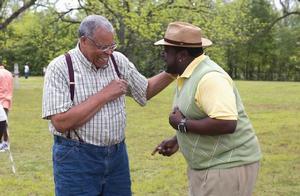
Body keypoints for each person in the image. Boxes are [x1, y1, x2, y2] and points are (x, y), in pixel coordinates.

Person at [42, 15, 174, 196]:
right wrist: (105, 94)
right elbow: (61, 122)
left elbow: (144, 91)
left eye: (112, 46)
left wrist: (174, 71)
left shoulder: (117, 61)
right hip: (76, 158)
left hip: (117, 156)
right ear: (84, 41)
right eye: (102, 47)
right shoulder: (61, 67)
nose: (108, 52)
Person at [152, 22, 262, 196]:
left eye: (166, 51)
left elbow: (226, 123)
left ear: (181, 54)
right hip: (209, 167)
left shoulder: (210, 78)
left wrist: (181, 124)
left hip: (227, 167)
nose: (163, 55)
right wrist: (178, 139)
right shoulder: (188, 75)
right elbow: (199, 113)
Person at [0, 63, 14, 152]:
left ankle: (3, 143)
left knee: (2, 123)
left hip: (1, 99)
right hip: (7, 99)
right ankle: (5, 141)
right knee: (4, 122)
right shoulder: (9, 73)